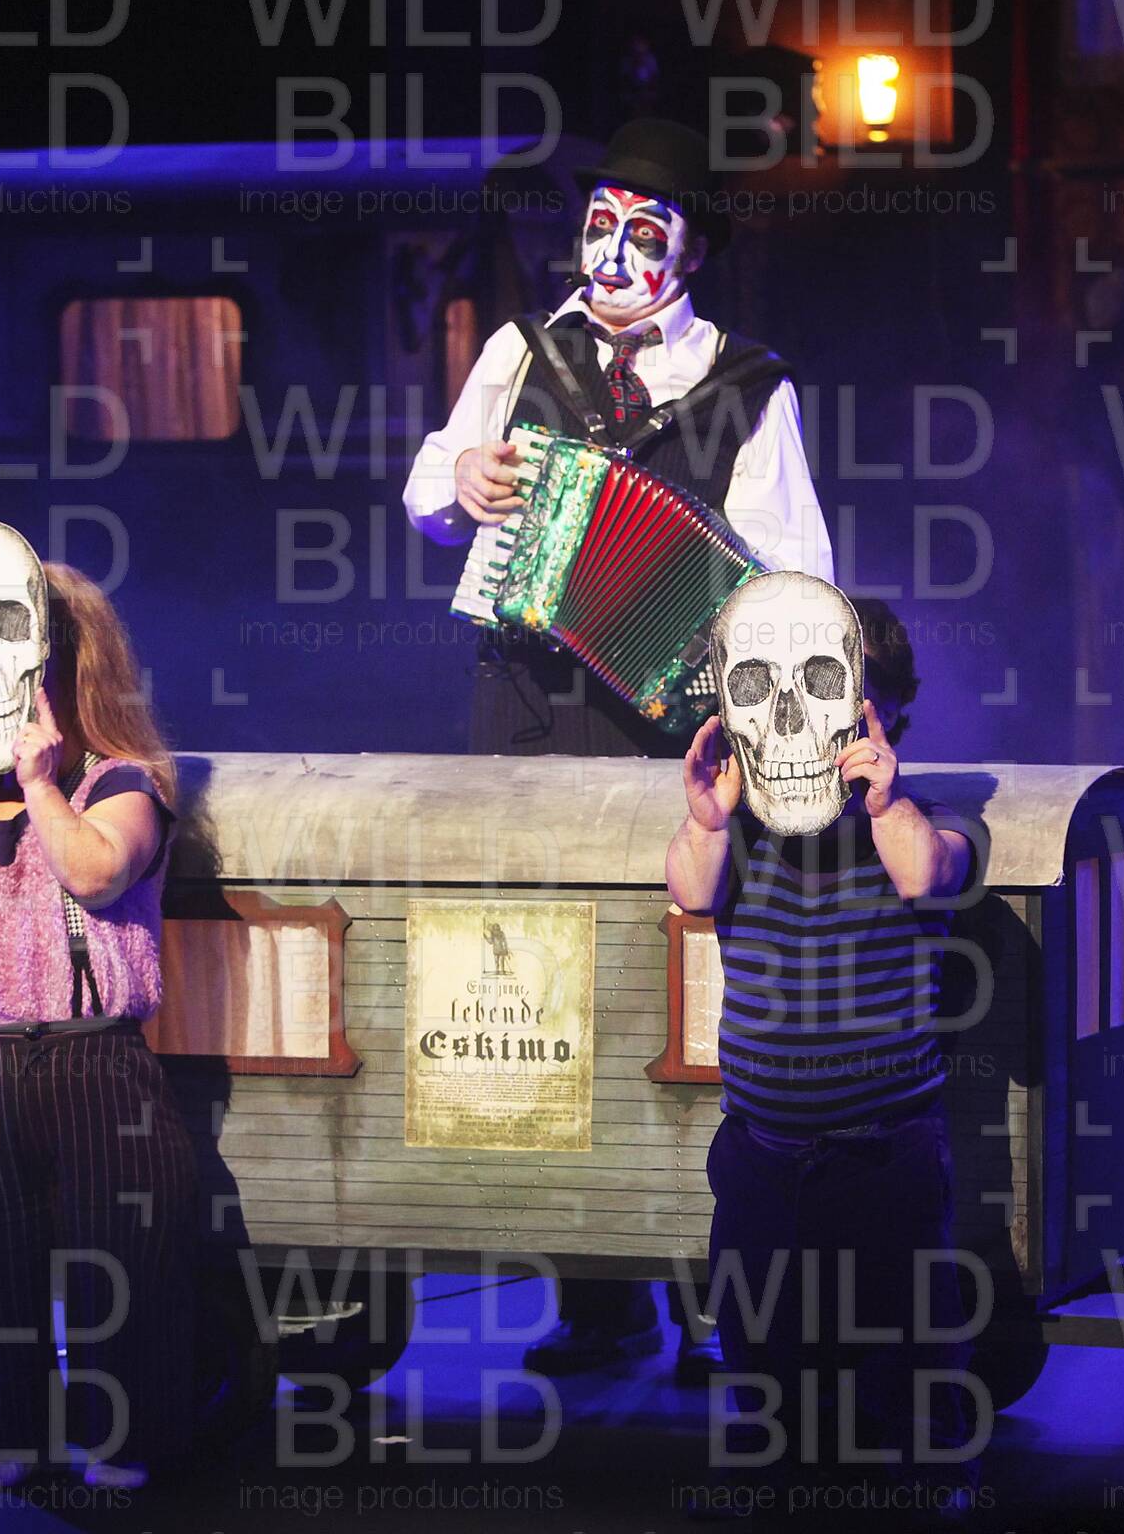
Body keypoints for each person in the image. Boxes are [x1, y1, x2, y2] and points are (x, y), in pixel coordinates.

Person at [404, 117, 833, 1378]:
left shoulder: (748, 385)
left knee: (681, 986)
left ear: (689, 251)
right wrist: (463, 483)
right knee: (552, 987)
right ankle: (597, 1298)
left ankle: (710, 1290)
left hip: (670, 722)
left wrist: (721, 630)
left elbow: (797, 571)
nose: (612, 253)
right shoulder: (521, 351)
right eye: (600, 226)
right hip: (527, 699)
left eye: (643, 232)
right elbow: (428, 489)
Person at [666, 593, 985, 1513]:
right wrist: (707, 821)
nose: (805, 715)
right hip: (762, 1152)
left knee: (906, 1359)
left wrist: (883, 800)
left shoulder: (927, 815)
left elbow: (929, 871)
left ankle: (927, 1491)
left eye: (836, 689)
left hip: (881, 1151)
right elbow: (690, 894)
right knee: (768, 1359)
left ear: (885, 708)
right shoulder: (743, 825)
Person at [0, 559, 192, 1491]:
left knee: (116, 1262)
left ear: (62, 663)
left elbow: (97, 873)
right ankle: (15, 1439)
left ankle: (121, 1438)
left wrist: (41, 784)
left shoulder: (121, 782)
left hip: (94, 1059)